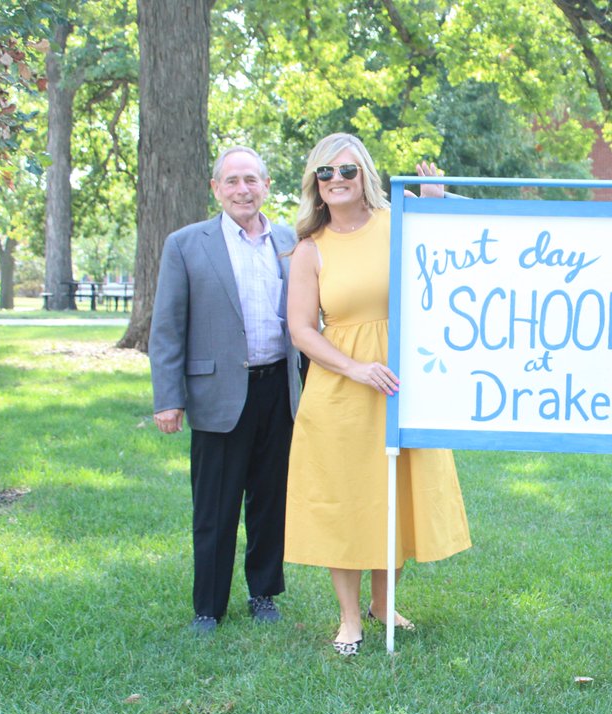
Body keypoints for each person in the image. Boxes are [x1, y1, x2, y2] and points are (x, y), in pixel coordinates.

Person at [283, 133, 472, 656]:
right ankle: (350, 619)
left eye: (347, 171)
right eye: (326, 174)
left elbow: (462, 259)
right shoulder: (309, 250)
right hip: (341, 389)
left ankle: (384, 604)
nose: (337, 181)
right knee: (344, 499)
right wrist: (355, 368)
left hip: (400, 383)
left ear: (365, 174)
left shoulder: (401, 226)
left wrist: (437, 205)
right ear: (314, 186)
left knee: (391, 493)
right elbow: (301, 330)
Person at [149, 146, 300, 634]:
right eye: (232, 181)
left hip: (279, 390)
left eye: (251, 180)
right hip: (217, 393)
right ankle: (208, 607)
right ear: (215, 188)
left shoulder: (291, 241)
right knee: (214, 505)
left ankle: (263, 595)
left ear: (266, 185)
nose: (242, 189)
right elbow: (167, 328)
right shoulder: (186, 244)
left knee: (270, 500)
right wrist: (168, 398)